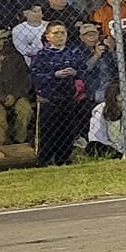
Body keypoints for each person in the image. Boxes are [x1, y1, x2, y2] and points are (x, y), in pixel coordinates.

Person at [30, 20, 89, 166]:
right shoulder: (42, 55)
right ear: (48, 36)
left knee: (67, 131)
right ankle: (43, 160)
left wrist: (75, 72)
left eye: (63, 32)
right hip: (49, 100)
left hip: (69, 98)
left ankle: (63, 158)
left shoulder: (73, 53)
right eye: (55, 33)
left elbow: (85, 72)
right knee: (48, 132)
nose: (60, 36)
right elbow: (35, 76)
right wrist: (54, 74)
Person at [86, 82, 126, 159]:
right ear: (115, 96)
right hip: (108, 145)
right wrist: (113, 146)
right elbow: (97, 135)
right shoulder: (100, 110)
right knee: (92, 146)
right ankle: (117, 156)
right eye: (123, 93)